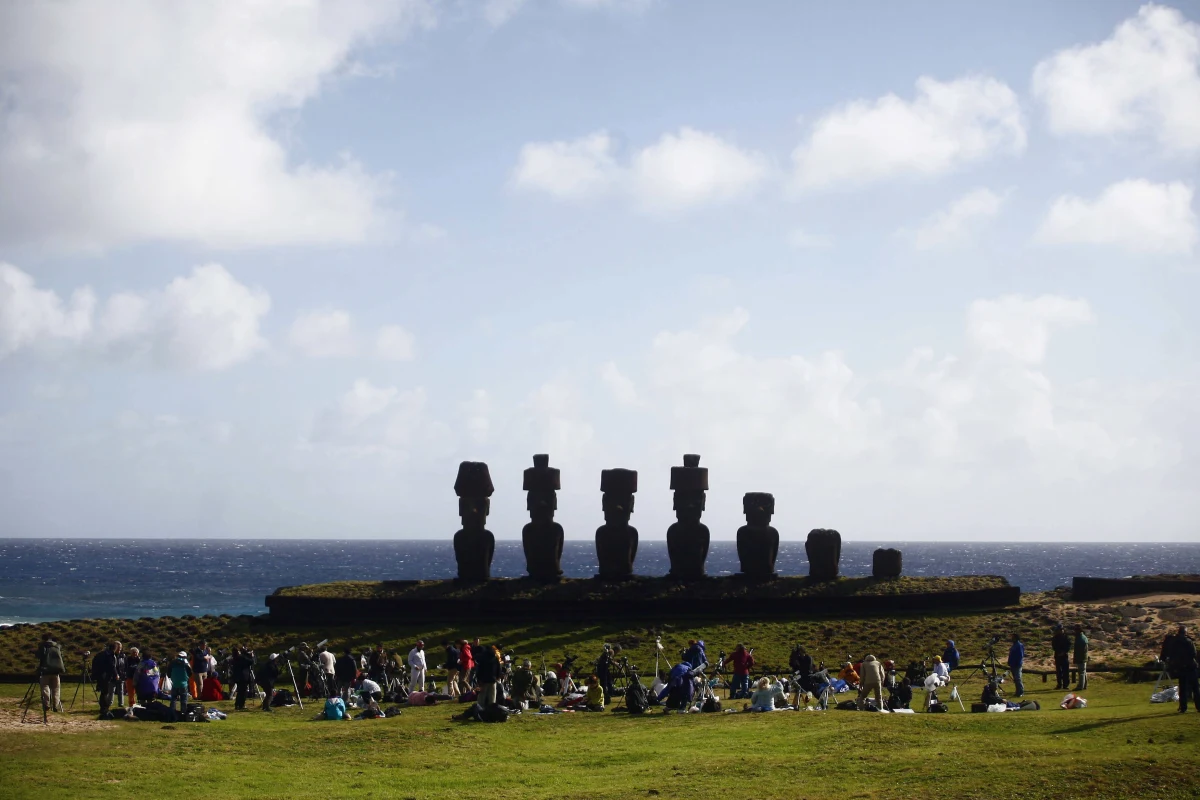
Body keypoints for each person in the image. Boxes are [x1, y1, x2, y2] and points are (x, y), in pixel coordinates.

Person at [1168, 625, 1200, 714]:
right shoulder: (1188, 641)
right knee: (1195, 688)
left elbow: (1172, 655)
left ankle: (1183, 708)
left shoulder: (1174, 642)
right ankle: (1199, 706)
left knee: (1183, 689)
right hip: (1191, 667)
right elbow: (1193, 653)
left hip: (1181, 668)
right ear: (1185, 632)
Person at [35, 635, 65, 721]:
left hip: (45, 671)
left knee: (45, 686)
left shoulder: (43, 646)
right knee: (56, 688)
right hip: (56, 672)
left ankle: (46, 704)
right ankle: (56, 705)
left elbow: (39, 656)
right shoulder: (57, 646)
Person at [91, 641, 121, 718]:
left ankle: (103, 707)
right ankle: (104, 708)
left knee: (103, 692)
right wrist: (116, 674)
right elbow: (112, 666)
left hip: (99, 674)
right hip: (106, 675)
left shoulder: (101, 654)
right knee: (105, 692)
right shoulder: (110, 655)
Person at [475, 642, 502, 708]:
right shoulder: (495, 658)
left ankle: (480, 708)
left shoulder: (483, 658)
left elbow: (479, 670)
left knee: (482, 695)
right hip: (493, 679)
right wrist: (498, 677)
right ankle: (492, 708)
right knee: (492, 695)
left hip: (484, 680)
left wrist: (478, 680)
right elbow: (499, 668)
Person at [167, 650, 192, 716]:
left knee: (173, 699)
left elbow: (168, 673)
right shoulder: (186, 663)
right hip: (183, 684)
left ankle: (172, 712)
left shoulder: (172, 663)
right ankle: (183, 713)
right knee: (183, 700)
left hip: (174, 683)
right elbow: (190, 673)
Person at [231, 645, 255, 711]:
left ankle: (237, 704)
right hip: (243, 676)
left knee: (240, 691)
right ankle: (241, 705)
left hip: (238, 677)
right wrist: (251, 656)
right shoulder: (241, 657)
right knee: (243, 692)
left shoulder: (235, 658)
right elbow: (251, 662)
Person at [1052, 624, 1072, 690]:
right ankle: (1059, 684)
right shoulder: (1055, 638)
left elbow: (1068, 646)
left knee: (1065, 671)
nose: (1060, 631)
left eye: (1061, 630)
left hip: (1064, 656)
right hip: (1057, 656)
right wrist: (1059, 652)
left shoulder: (1066, 637)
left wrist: (1063, 652)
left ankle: (1065, 685)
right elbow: (1054, 646)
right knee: (1058, 672)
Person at [1007, 633, 1025, 697]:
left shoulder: (1019, 645)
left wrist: (1018, 663)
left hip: (1017, 665)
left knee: (1018, 678)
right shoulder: (1014, 645)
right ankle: (1017, 691)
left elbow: (1020, 655)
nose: (1012, 639)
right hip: (1012, 664)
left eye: (1013, 637)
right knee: (1015, 679)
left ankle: (1021, 691)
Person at [1073, 624, 1089, 691]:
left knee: (1081, 672)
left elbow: (1080, 650)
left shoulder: (1080, 638)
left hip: (1081, 657)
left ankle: (1080, 686)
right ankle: (1084, 685)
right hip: (1084, 656)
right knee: (1083, 671)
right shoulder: (1083, 637)